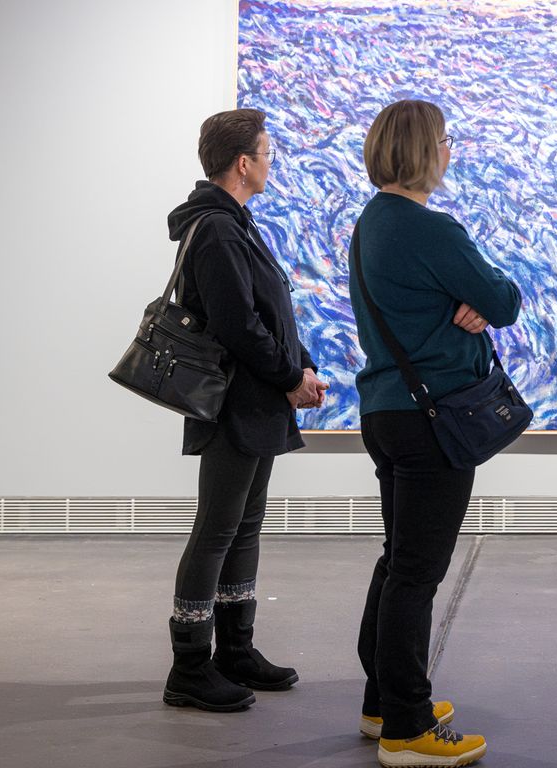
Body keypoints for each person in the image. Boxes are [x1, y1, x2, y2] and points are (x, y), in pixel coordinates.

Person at [350, 99, 522, 767]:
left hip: (387, 411)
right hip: (434, 420)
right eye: (445, 140)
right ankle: (407, 728)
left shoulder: (371, 223)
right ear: (425, 150)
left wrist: (464, 302)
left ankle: (381, 702)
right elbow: (504, 300)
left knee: (398, 561)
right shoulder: (431, 229)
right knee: (417, 573)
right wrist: (478, 299)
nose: (451, 150)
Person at [163, 108, 327, 712]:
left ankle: (235, 651)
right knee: (216, 529)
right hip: (235, 402)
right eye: (267, 153)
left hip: (256, 401)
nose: (270, 163)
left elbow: (268, 311)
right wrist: (289, 377)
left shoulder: (235, 223)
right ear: (243, 163)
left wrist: (300, 368)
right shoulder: (216, 229)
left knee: (243, 527)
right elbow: (237, 324)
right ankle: (189, 668)